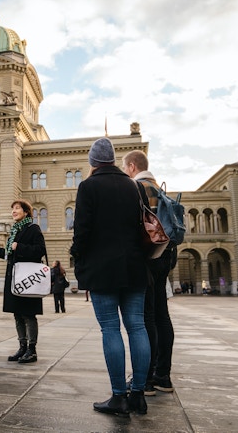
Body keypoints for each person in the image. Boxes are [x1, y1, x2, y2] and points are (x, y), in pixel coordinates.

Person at [71, 137, 150, 417]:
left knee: (110, 329)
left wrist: (77, 260)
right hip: (135, 266)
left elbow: (82, 230)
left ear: (93, 161)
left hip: (102, 269)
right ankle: (138, 394)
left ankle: (119, 397)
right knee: (137, 327)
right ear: (114, 159)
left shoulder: (88, 186)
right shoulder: (134, 186)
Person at [123, 150, 176, 395]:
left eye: (125, 168)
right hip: (167, 253)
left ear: (132, 166)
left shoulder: (137, 187)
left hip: (150, 256)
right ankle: (163, 376)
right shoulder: (159, 186)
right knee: (162, 315)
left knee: (147, 316)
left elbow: (134, 226)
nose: (125, 172)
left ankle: (145, 379)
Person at [0, 199, 47, 364]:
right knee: (17, 313)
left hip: (27, 279)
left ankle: (32, 350)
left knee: (28, 314)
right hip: (15, 278)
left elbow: (40, 250)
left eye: (17, 208)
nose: (13, 211)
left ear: (26, 212)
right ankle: (22, 347)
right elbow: (8, 255)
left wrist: (19, 247)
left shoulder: (33, 228)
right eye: (12, 209)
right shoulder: (15, 231)